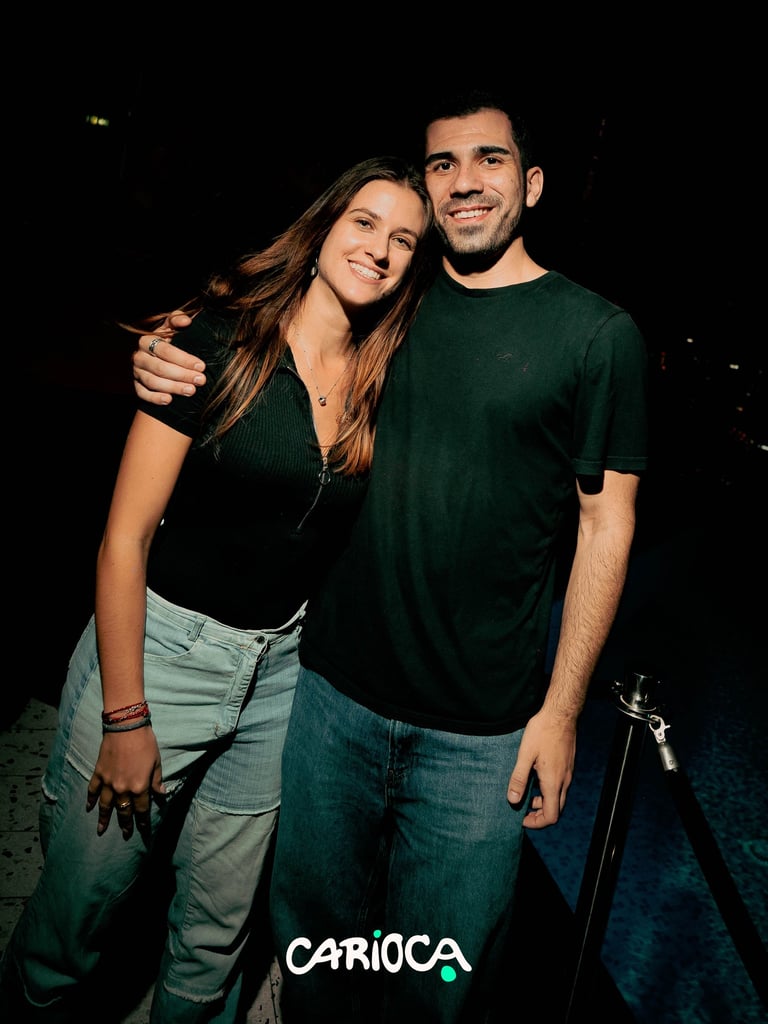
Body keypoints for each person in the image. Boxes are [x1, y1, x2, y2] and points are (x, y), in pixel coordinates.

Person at [129, 88, 650, 1023]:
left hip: (480, 736)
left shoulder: (596, 336)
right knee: (313, 953)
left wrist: (563, 710)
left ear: (532, 184)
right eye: (444, 163)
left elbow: (606, 526)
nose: (464, 182)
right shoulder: (391, 301)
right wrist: (176, 343)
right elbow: (275, 317)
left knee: (439, 981)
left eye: (489, 160)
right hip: (329, 701)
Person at [0, 155, 434, 1023]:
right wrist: (127, 716)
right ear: (323, 229)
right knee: (76, 917)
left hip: (281, 676)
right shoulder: (216, 344)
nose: (379, 249)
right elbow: (123, 541)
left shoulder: (387, 378)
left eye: (403, 240)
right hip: (160, 653)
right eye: (363, 222)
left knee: (217, 931)